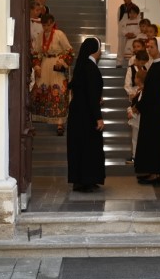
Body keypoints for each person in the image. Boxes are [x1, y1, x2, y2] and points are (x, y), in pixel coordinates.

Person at [66, 37, 106, 192]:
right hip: (87, 115)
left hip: (78, 112)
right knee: (88, 147)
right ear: (95, 50)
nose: (100, 51)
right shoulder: (90, 67)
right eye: (99, 48)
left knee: (79, 146)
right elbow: (91, 95)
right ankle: (87, 180)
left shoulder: (83, 65)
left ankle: (82, 180)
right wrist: (98, 117)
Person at [30, 13, 73, 134]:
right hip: (44, 65)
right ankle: (43, 117)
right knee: (41, 90)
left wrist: (62, 62)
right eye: (44, 25)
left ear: (53, 23)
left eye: (48, 25)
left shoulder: (59, 34)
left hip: (56, 65)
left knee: (58, 92)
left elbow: (69, 51)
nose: (46, 28)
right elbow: (36, 53)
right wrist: (37, 66)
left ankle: (60, 123)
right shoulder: (40, 36)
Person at [134, 38, 160, 185]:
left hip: (154, 110)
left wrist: (139, 105)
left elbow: (152, 92)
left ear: (159, 49)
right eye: (148, 46)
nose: (149, 49)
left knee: (154, 141)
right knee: (150, 141)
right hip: (151, 109)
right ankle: (151, 171)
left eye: (152, 47)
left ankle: (155, 174)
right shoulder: (155, 65)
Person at [124, 46, 148, 165]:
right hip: (134, 97)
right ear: (136, 60)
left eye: (144, 63)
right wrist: (133, 93)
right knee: (135, 133)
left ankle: (139, 155)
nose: (142, 65)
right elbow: (127, 85)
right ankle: (135, 155)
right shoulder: (131, 69)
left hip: (141, 100)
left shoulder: (145, 70)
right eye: (141, 62)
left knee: (139, 132)